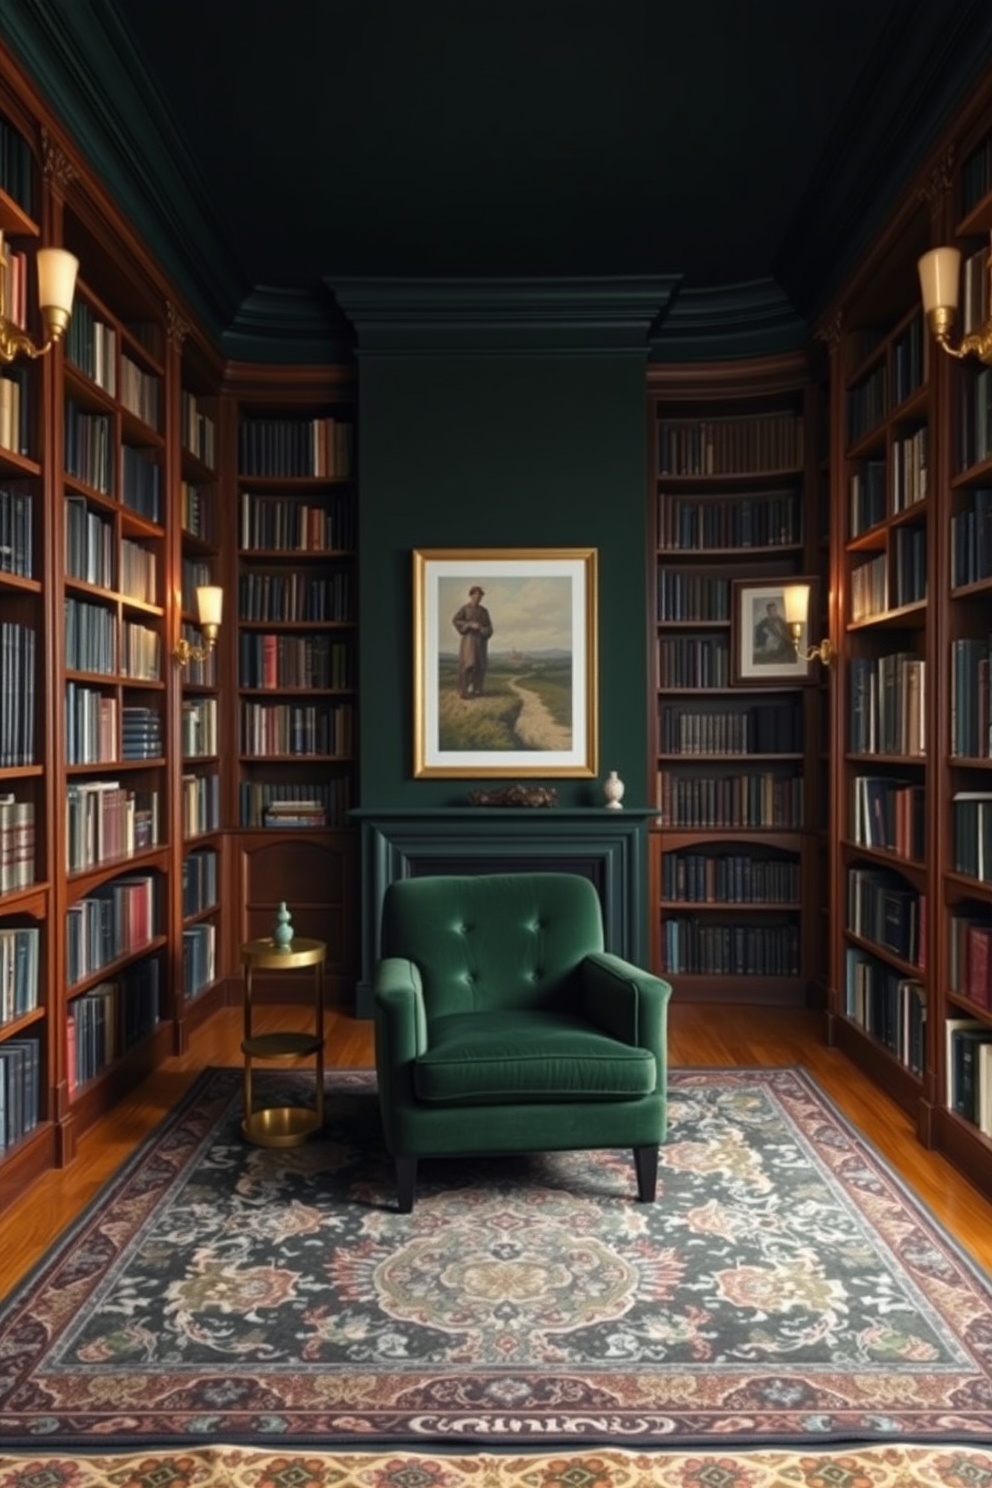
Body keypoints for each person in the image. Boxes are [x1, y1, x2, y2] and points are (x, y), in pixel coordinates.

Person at [452, 585, 494, 698]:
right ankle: (463, 691)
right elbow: (456, 620)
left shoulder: (484, 611)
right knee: (468, 664)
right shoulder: (465, 608)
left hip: (481, 642)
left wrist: (481, 628)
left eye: (480, 595)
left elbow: (489, 628)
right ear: (471, 595)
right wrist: (469, 625)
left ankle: (477, 690)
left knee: (480, 665)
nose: (478, 597)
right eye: (476, 594)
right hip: (468, 642)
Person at [753, 599, 794, 664]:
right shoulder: (764, 623)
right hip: (772, 648)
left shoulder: (781, 620)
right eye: (771, 610)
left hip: (785, 644)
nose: (774, 612)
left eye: (775, 610)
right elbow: (759, 636)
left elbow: (788, 633)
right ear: (768, 612)